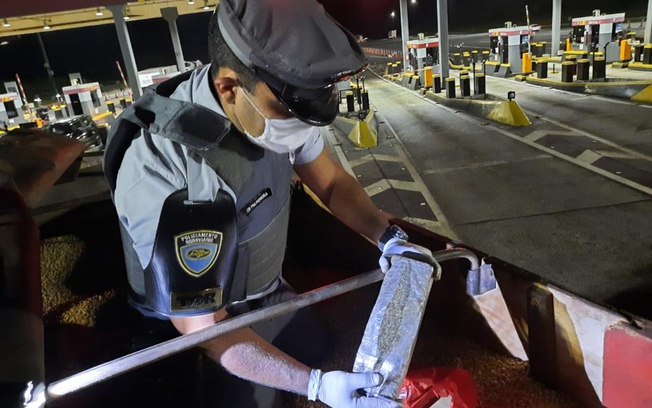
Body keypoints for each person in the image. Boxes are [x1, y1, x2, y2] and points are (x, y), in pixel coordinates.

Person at [103, 0, 433, 406]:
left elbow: (330, 182)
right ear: (228, 88)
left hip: (265, 292)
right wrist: (315, 386)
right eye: (293, 107)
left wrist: (387, 235)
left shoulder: (269, 106)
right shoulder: (166, 167)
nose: (305, 123)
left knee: (316, 348)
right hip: (189, 324)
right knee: (249, 398)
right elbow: (202, 328)